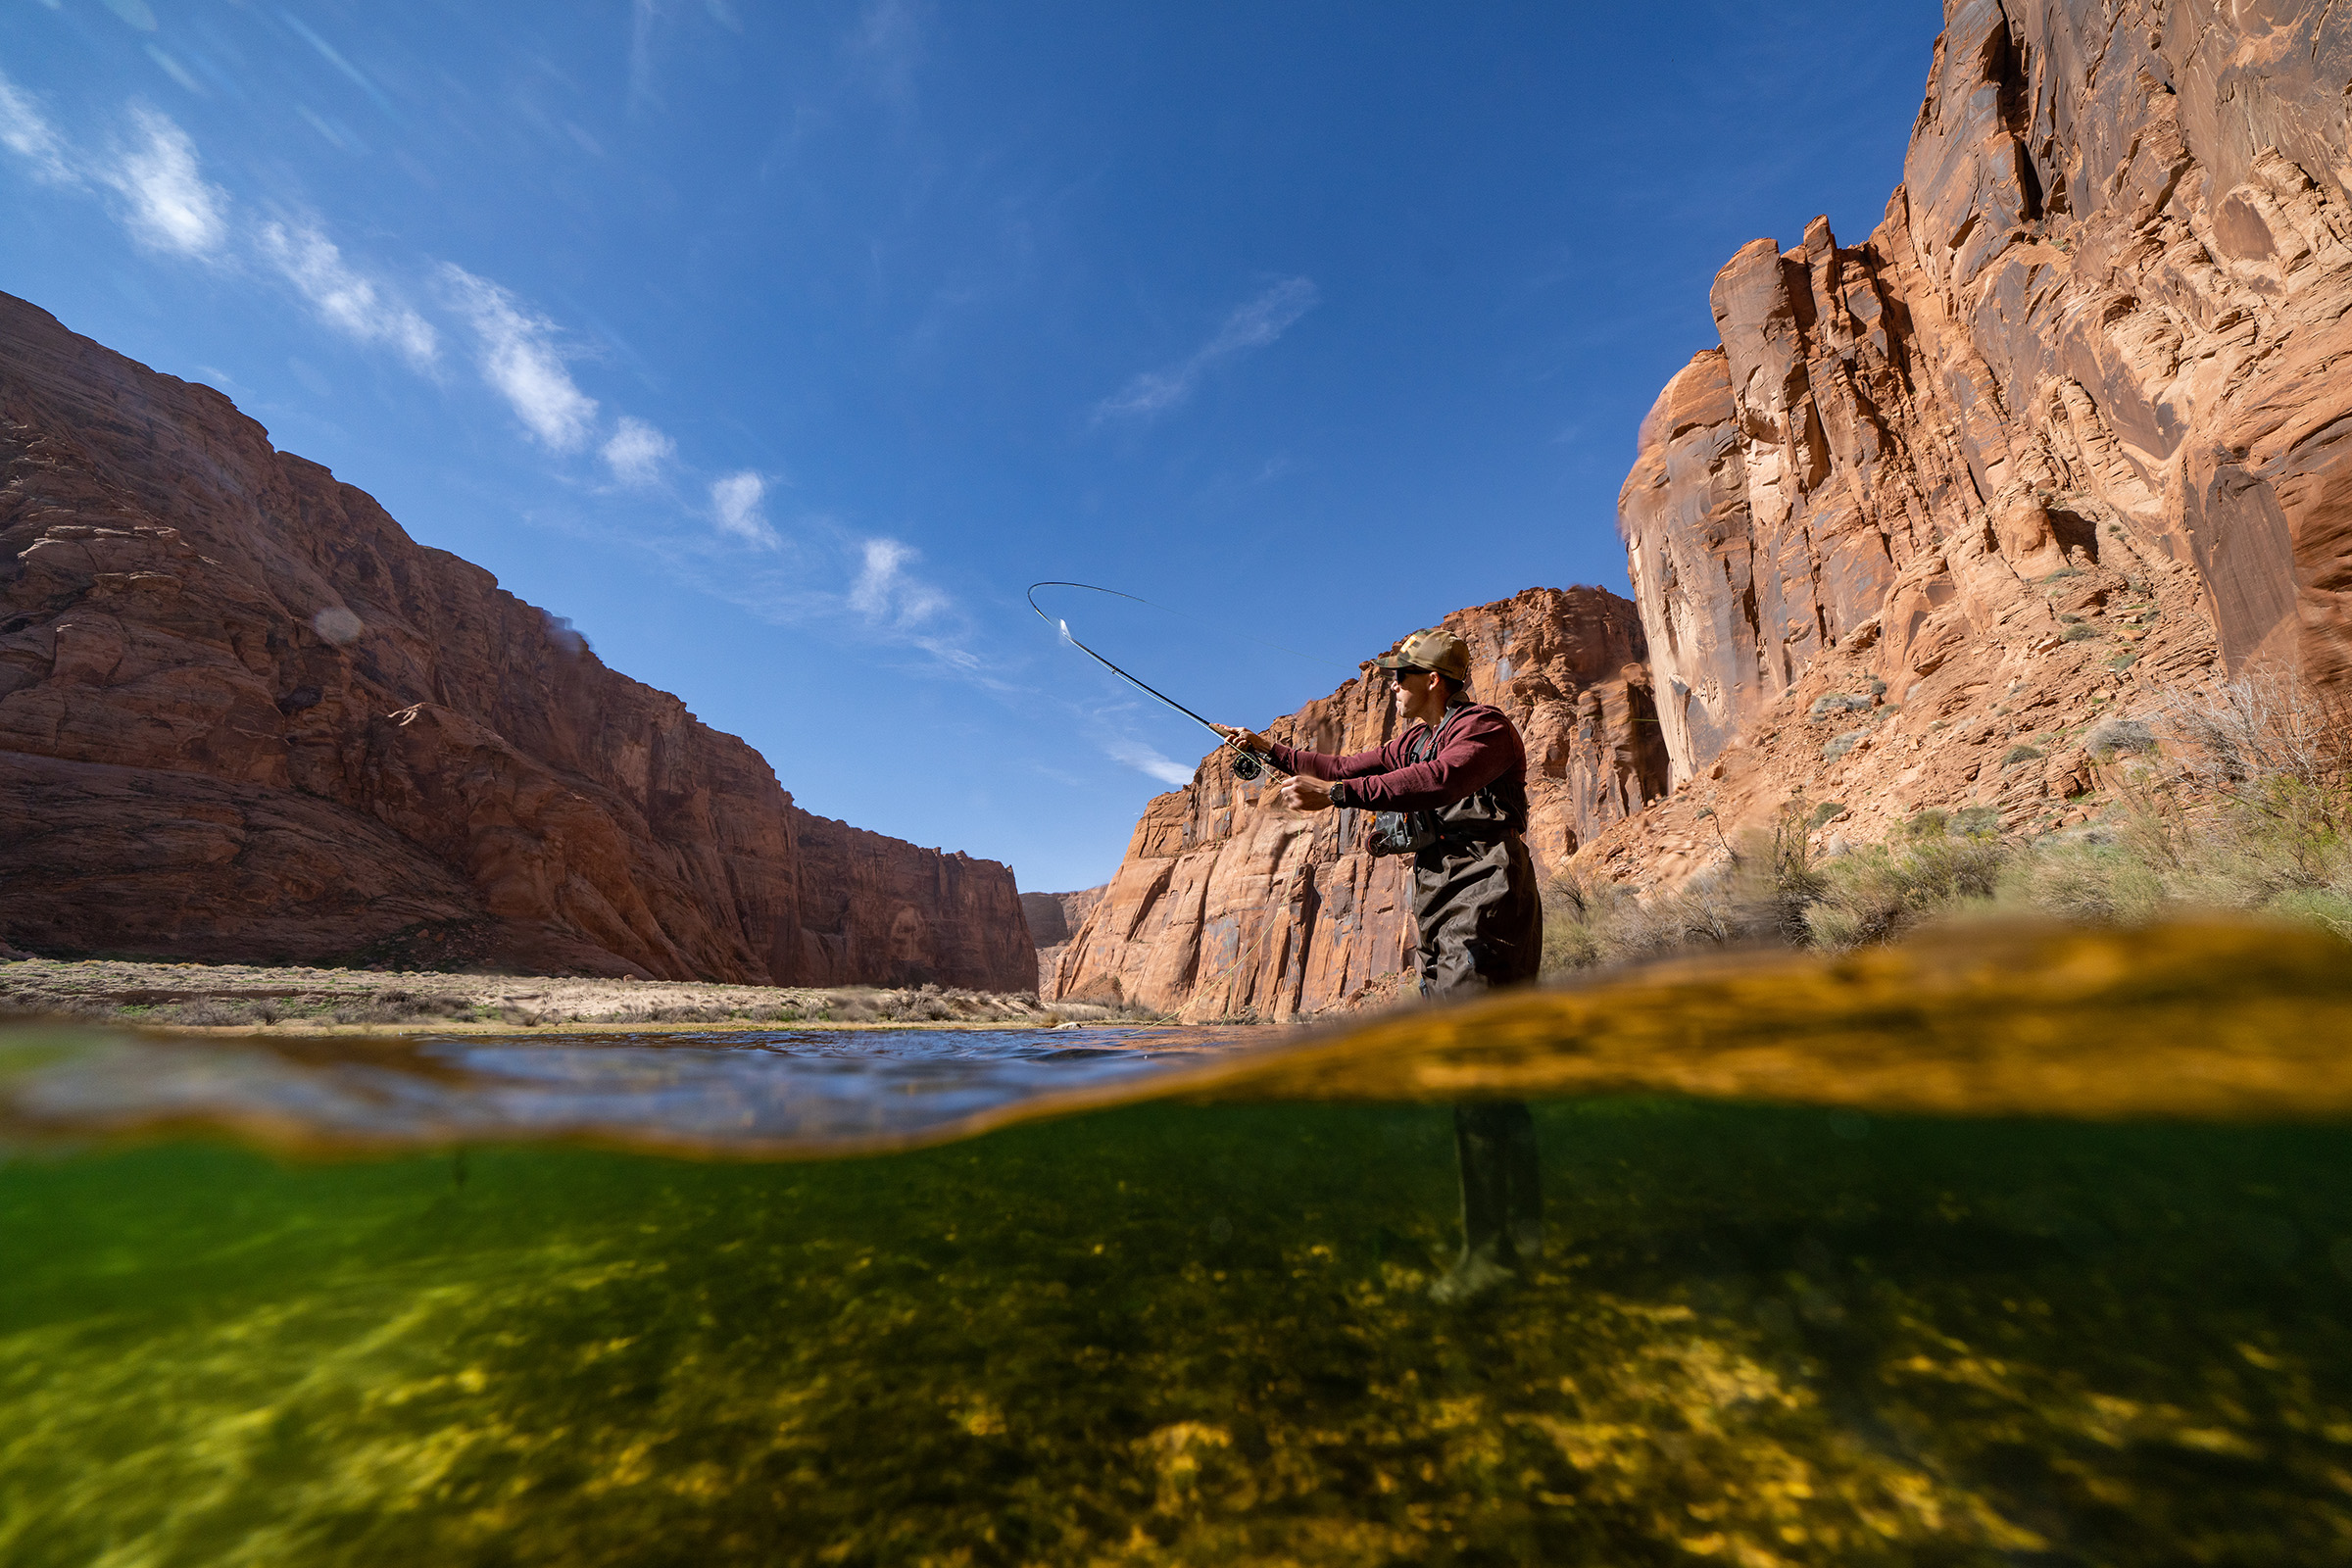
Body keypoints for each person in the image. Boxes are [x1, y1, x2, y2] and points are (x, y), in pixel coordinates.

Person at [1212, 626, 1544, 1300]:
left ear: (1433, 680)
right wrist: (1264, 748)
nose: (1391, 684)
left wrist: (1335, 800)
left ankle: (1492, 1256)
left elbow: (1438, 781)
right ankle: (1519, 1241)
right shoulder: (1412, 739)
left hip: (1488, 891)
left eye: (1401, 674)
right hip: (1442, 897)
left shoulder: (1483, 727)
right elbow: (1339, 766)